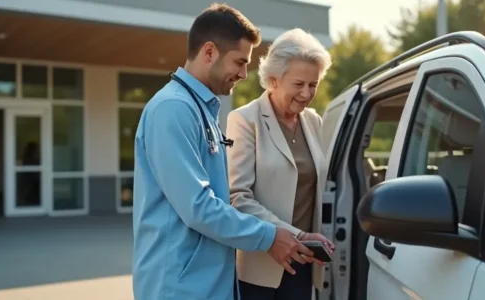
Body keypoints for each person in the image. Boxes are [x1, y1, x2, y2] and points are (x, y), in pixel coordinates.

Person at [131, 4, 316, 300]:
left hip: (209, 285)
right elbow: (199, 207)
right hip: (180, 289)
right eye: (240, 62)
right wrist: (269, 236)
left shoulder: (200, 110)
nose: (245, 73)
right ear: (209, 52)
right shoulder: (172, 110)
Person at [226, 28, 335, 300]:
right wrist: (295, 234)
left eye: (313, 84)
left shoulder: (313, 121)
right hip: (259, 266)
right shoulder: (244, 120)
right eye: (299, 84)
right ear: (273, 80)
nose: (307, 93)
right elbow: (237, 197)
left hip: (303, 262)